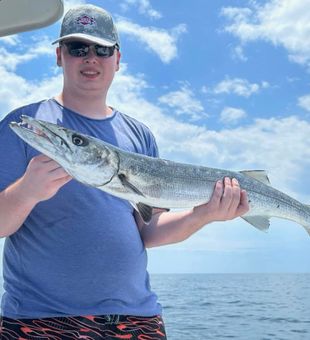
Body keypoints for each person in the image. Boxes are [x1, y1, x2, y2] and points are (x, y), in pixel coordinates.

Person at [0, 4, 249, 339]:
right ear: (59, 56)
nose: (91, 58)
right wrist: (27, 190)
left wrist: (203, 214)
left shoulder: (140, 135)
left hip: (136, 318)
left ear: (117, 60)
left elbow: (149, 230)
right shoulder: (26, 127)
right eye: (78, 48)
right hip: (41, 320)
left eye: (103, 49)